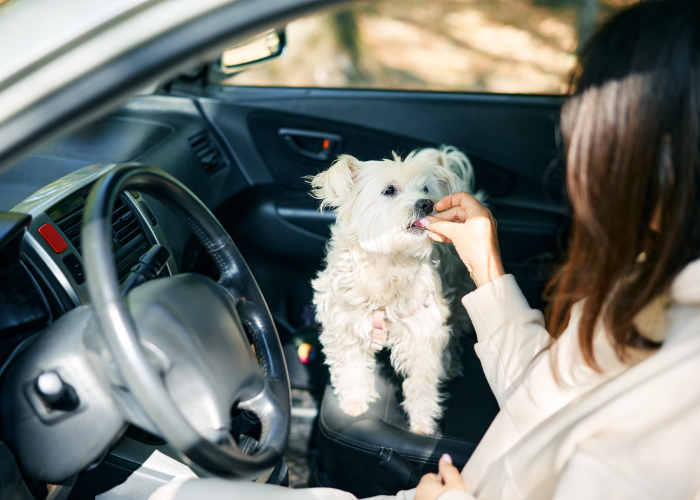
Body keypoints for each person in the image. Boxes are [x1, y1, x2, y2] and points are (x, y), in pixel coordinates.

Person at [150, 0, 700, 499]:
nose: (580, 163)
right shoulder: (650, 290)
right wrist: (484, 257)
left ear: (667, 159)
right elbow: (546, 389)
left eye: (598, 136)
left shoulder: (682, 380)